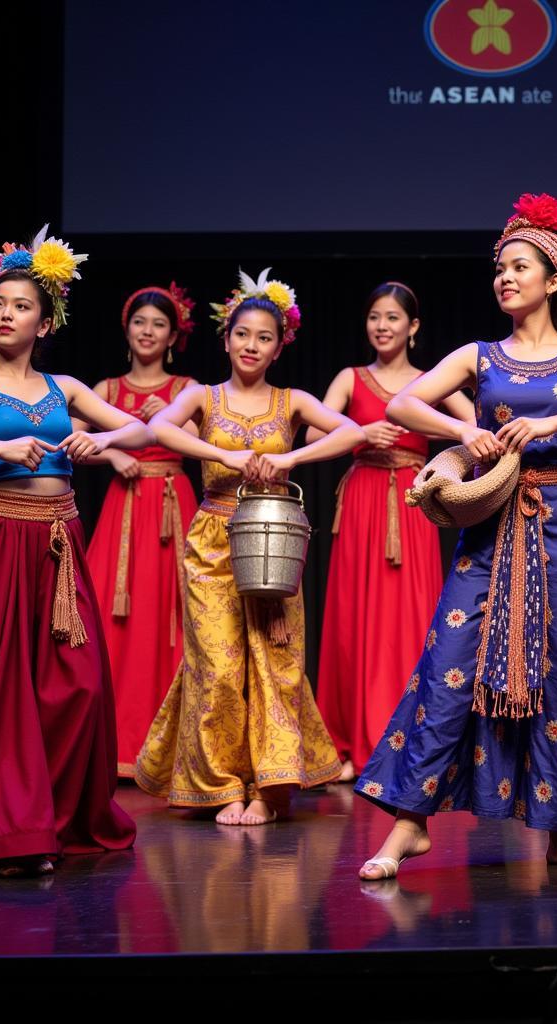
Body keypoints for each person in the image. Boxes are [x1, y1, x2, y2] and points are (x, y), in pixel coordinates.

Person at [354, 194, 557, 878]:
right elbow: (403, 401)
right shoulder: (479, 355)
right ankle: (410, 823)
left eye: (519, 267)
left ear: (553, 281)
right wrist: (464, 430)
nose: (505, 278)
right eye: (500, 269)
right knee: (448, 668)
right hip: (491, 528)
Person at [134, 268, 365, 825]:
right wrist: (232, 457)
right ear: (227, 339)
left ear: (279, 346)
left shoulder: (291, 401)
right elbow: (158, 428)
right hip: (212, 540)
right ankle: (222, 787)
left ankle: (270, 789)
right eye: (243, 335)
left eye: (265, 337)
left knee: (275, 661)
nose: (252, 346)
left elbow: (352, 433)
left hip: (272, 537)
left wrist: (289, 460)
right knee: (216, 665)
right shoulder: (203, 397)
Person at [0, 226, 152, 876]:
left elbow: (146, 426)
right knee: (6, 690)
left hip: (60, 544)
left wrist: (101, 445)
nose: (5, 314)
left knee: (78, 687)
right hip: (2, 538)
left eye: (20, 305)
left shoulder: (63, 387)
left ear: (45, 321)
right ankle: (15, 832)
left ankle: (54, 820)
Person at [312, 282, 473, 779]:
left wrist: (447, 448)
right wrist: (358, 434)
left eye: (393, 318)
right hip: (361, 500)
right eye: (375, 317)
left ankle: (413, 734)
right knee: (353, 617)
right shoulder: (350, 378)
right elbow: (314, 431)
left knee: (411, 615)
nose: (382, 326)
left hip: (412, 501)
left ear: (413, 327)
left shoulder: (431, 381)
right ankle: (345, 741)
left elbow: (476, 424)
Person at [83, 283, 199, 774]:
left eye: (158, 324)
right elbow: (70, 430)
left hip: (173, 505)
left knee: (174, 619)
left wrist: (168, 423)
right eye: (140, 322)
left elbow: (206, 438)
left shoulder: (185, 389)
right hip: (125, 510)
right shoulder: (107, 390)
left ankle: (172, 748)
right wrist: (111, 452)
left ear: (172, 336)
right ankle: (115, 747)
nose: (147, 331)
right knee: (115, 622)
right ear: (127, 330)